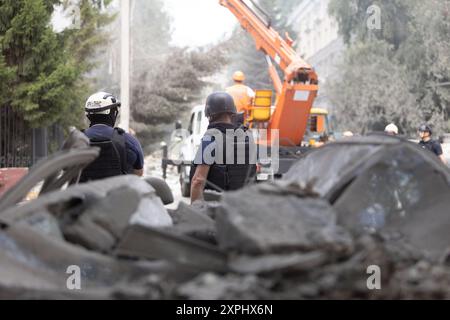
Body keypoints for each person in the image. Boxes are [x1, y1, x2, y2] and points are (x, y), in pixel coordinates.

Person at [190, 92, 256, 203]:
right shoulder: (247, 136)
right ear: (232, 113)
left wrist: (195, 212)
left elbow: (198, 181)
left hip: (217, 209)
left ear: (209, 114)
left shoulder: (211, 137)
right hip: (242, 208)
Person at [80, 92, 144, 182]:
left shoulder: (75, 140)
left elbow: (65, 169)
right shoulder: (129, 140)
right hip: (119, 194)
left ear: (89, 115)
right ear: (112, 113)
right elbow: (138, 173)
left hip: (83, 195)